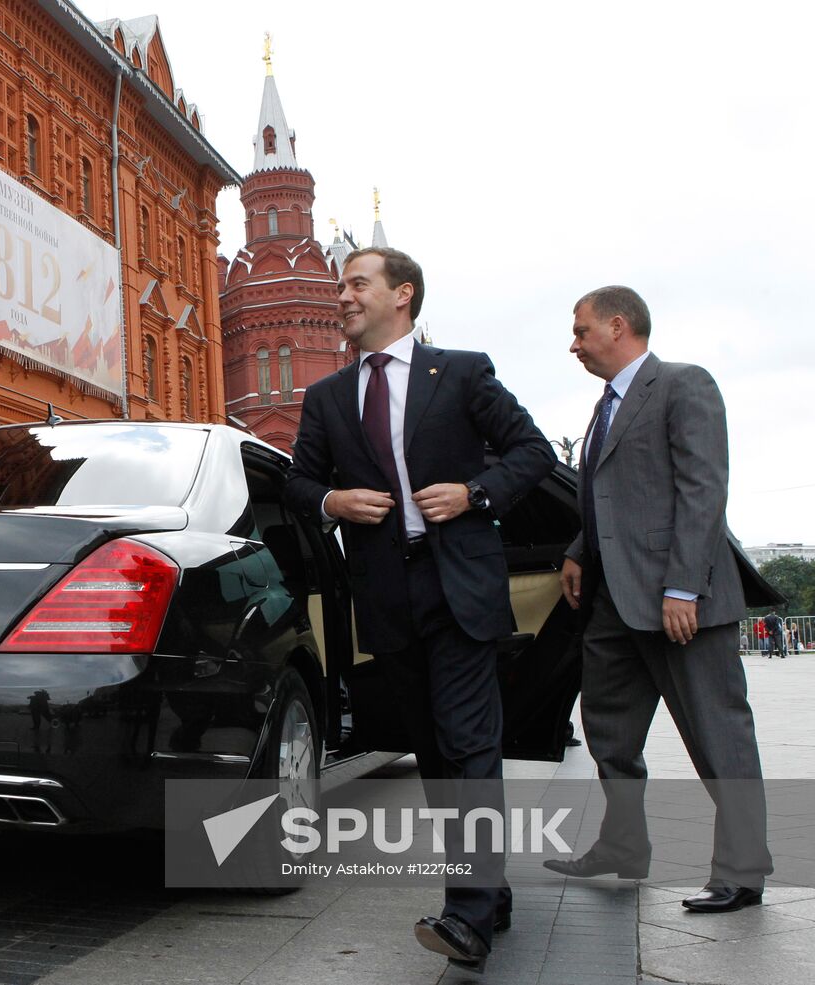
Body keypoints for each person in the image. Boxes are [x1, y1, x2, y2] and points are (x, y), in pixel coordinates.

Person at [284, 247, 555, 971]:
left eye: (355, 283)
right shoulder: (329, 397)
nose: (342, 294)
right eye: (341, 284)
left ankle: (465, 912)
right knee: (436, 752)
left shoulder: (462, 371)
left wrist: (475, 493)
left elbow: (530, 451)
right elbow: (299, 482)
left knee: (469, 745)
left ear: (402, 295)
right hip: (386, 594)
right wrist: (332, 501)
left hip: (459, 585)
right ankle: (487, 891)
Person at [545, 286, 771, 913]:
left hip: (681, 602)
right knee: (609, 733)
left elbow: (703, 489)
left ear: (619, 327)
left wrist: (682, 587)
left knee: (718, 737)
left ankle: (743, 871)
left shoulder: (683, 384)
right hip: (614, 602)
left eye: (582, 331)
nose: (574, 344)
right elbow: (613, 497)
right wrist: (580, 548)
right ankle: (623, 849)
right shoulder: (603, 408)